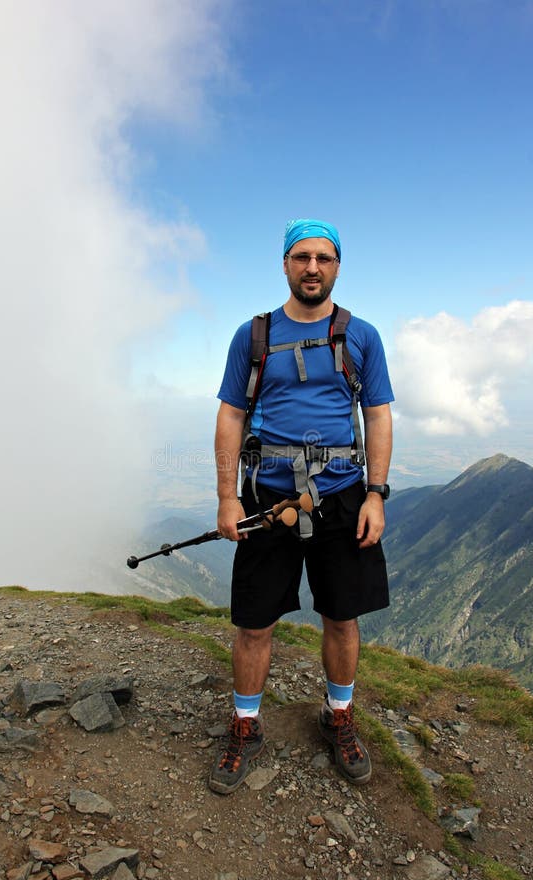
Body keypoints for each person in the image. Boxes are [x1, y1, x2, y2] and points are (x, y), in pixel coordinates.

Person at [209, 219, 394, 795]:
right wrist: (225, 496)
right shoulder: (253, 336)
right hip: (266, 499)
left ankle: (337, 715)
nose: (312, 267)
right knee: (254, 622)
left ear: (337, 267)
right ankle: (245, 724)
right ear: (284, 265)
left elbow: (378, 415)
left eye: (323, 257)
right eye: (301, 256)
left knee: (341, 615)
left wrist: (375, 494)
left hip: (341, 498)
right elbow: (231, 414)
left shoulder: (361, 335)